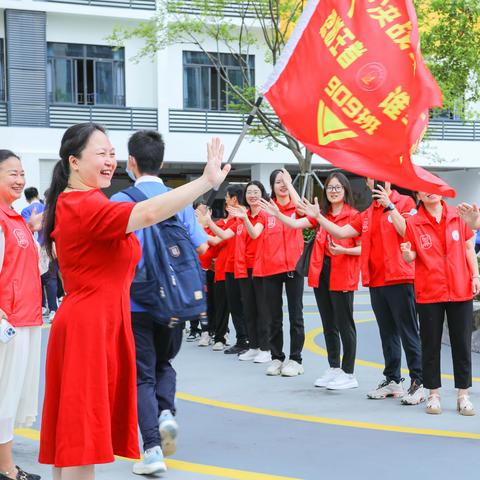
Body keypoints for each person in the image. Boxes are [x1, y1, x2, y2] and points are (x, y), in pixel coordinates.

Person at [38, 123, 229, 480]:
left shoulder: (82, 200)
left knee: (76, 438)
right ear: (74, 162)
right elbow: (148, 213)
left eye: (112, 153)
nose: (109, 161)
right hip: (90, 327)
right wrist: (205, 182)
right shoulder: (83, 204)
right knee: (82, 441)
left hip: (95, 322)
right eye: (101, 153)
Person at [110, 130, 209, 474]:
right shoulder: (177, 199)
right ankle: (166, 411)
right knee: (165, 363)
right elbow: (201, 246)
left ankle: (152, 449)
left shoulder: (120, 202)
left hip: (135, 301)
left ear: (130, 163)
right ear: (162, 162)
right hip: (175, 301)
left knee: (142, 376)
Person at [298, 179, 425, 405]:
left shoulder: (404, 202)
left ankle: (419, 381)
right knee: (387, 333)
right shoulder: (366, 214)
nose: (375, 180)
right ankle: (392, 379)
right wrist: (318, 217)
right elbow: (340, 231)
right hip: (376, 280)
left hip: (400, 278)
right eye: (370, 177)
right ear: (367, 181)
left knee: (408, 331)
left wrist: (390, 206)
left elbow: (407, 231)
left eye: (379, 176)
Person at [261, 172, 361, 389]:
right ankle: (334, 367)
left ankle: (348, 372)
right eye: (330, 187)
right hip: (321, 272)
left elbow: (359, 244)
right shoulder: (321, 213)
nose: (333, 191)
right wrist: (278, 214)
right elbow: (296, 222)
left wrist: (344, 249)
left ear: (345, 191)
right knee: (328, 324)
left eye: (338, 187)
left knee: (345, 324)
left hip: (343, 273)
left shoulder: (353, 215)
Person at [401, 192, 478, 415]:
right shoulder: (413, 222)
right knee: (430, 344)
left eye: (433, 186)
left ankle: (463, 395)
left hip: (460, 288)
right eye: (424, 188)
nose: (430, 191)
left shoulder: (457, 214)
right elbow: (411, 255)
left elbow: (467, 248)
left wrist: (475, 276)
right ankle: (433, 393)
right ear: (418, 195)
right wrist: (406, 255)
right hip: (429, 291)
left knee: (461, 344)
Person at [0, 150, 42, 480]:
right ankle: (6, 468)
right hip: (8, 321)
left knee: (11, 395)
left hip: (26, 316)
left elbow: (34, 266)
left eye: (22, 173)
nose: (20, 180)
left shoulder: (15, 218)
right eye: (12, 173)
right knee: (5, 395)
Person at [255, 169, 305, 377]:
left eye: (285, 181)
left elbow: (305, 214)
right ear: (272, 187)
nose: (282, 185)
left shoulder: (298, 206)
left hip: (294, 267)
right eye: (278, 182)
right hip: (271, 268)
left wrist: (290, 183)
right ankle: (277, 357)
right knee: (274, 316)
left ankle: (295, 359)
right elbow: (256, 232)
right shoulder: (267, 210)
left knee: (296, 315)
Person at [200, 185, 249, 355]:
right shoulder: (226, 222)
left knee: (242, 307)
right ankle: (228, 337)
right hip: (224, 268)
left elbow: (218, 237)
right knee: (226, 306)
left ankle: (248, 340)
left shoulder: (243, 219)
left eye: (227, 197)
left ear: (234, 199)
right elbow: (215, 242)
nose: (226, 200)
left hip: (242, 268)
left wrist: (204, 225)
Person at [228, 181, 271, 363]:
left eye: (256, 192)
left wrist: (245, 218)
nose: (252, 195)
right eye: (249, 192)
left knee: (262, 309)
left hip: (260, 267)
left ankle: (266, 348)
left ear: (262, 194)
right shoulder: (242, 216)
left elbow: (255, 234)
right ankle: (253, 346)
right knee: (249, 308)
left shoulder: (263, 214)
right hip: (244, 268)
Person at [21, 188, 58, 322]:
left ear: (26, 198)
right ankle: (53, 308)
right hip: (48, 246)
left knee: (37, 278)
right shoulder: (46, 207)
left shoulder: (25, 211)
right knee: (51, 279)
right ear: (37, 194)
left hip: (33, 248)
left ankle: (41, 306)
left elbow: (26, 229)